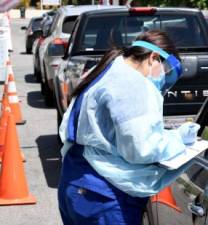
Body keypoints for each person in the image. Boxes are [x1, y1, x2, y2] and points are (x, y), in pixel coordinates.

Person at [57, 30, 200, 225]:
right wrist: (177, 139)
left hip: (75, 180)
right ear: (153, 57)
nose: (163, 80)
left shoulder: (107, 69)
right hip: (104, 194)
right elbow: (141, 149)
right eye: (165, 72)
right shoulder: (133, 83)